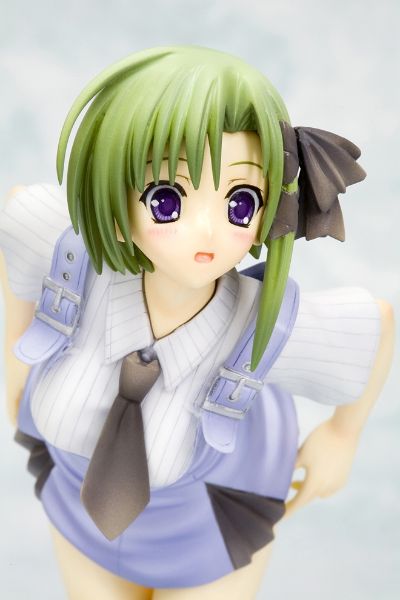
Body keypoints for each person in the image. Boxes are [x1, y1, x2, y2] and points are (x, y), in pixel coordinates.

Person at [0, 46, 394, 600]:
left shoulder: (262, 324)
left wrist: (342, 436)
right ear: (116, 199)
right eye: (167, 200)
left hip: (205, 535)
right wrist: (15, 356)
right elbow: (19, 218)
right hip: (77, 511)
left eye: (239, 203)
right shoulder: (76, 261)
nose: (207, 232)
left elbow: (374, 325)